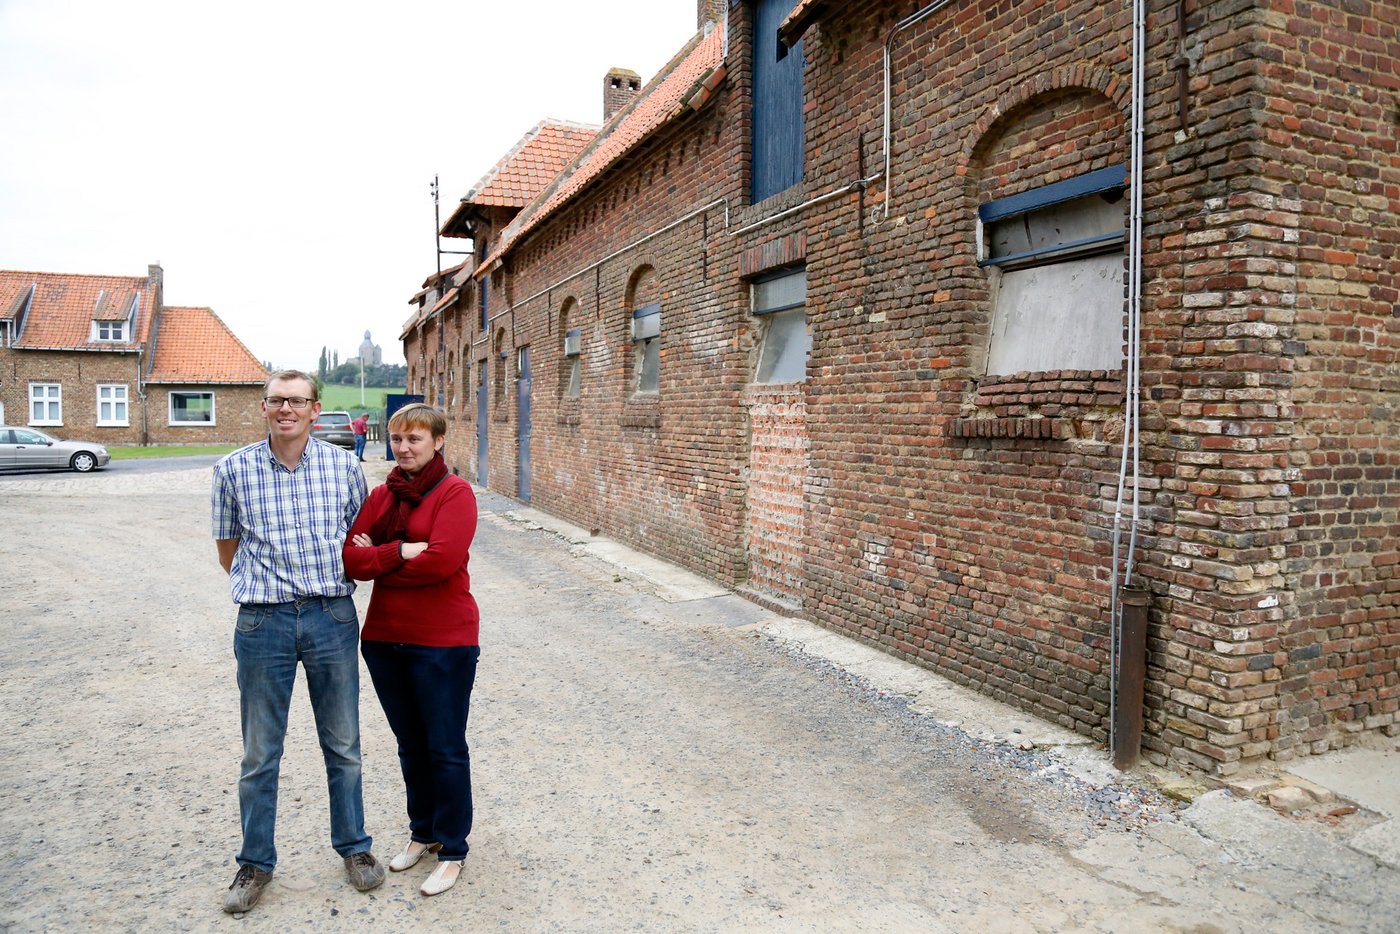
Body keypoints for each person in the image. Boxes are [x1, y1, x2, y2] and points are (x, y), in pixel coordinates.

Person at [211, 369, 385, 914]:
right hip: (263, 622)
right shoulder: (233, 469)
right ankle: (255, 863)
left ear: (315, 408)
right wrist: (268, 589)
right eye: (277, 400)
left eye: (297, 401)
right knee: (261, 752)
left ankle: (354, 848)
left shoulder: (343, 466)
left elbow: (359, 539)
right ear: (264, 408)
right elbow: (227, 548)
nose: (287, 409)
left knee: (344, 744)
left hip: (331, 616)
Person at [342, 403, 480, 897]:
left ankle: (454, 846)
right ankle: (423, 832)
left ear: (438, 441)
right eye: (397, 439)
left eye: (414, 439)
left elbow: (442, 563)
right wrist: (400, 550)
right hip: (384, 639)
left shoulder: (455, 493)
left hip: (443, 640)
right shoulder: (383, 494)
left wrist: (377, 555)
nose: (403, 448)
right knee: (410, 745)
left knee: (444, 746)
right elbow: (351, 560)